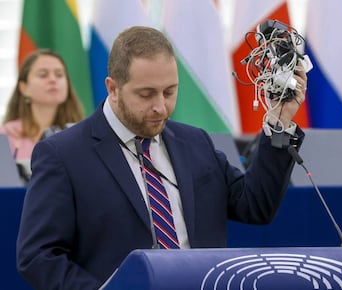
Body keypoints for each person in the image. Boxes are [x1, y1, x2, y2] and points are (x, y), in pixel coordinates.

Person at [16, 26, 307, 290]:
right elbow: (37, 255)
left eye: (169, 92)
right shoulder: (62, 154)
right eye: (146, 94)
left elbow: (255, 206)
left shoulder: (196, 142)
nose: (160, 107)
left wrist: (279, 121)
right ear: (112, 88)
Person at [0, 49, 84, 163]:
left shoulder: (83, 134)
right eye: (43, 75)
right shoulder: (5, 135)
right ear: (24, 88)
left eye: (59, 75)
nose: (53, 80)